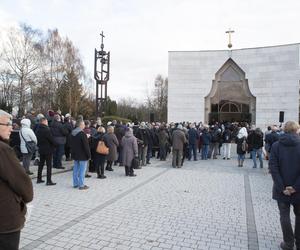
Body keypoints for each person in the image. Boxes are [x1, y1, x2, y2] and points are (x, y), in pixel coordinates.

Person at [0, 110, 33, 250]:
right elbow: (23, 184)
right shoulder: (3, 150)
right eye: (7, 124)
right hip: (5, 220)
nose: (11, 127)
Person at [269, 121, 300, 250]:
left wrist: (282, 187)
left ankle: (288, 243)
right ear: (297, 130)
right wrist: (295, 187)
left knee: (284, 215)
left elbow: (273, 168)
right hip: (298, 189)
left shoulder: (276, 146)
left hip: (281, 189)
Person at [70, 119, 91, 190]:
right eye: (84, 124)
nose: (84, 125)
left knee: (75, 169)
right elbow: (86, 146)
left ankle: (75, 183)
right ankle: (81, 185)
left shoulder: (72, 133)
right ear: (81, 125)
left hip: (75, 154)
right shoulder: (82, 134)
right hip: (82, 155)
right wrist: (89, 155)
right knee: (82, 170)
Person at [35, 117, 56, 185]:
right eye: (46, 122)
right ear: (43, 122)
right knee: (49, 165)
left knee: (41, 164)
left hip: (41, 149)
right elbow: (51, 139)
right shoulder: (46, 130)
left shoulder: (38, 129)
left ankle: (39, 178)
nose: (47, 123)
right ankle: (49, 181)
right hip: (48, 149)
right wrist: (55, 144)